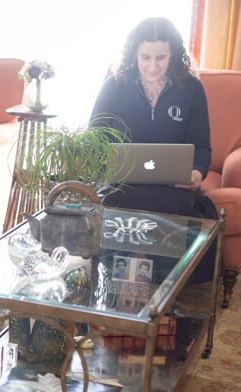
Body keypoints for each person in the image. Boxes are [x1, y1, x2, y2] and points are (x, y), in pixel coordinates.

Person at [91, 17, 219, 285]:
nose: (152, 66)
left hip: (172, 188)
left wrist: (196, 172)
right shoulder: (114, 86)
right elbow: (94, 141)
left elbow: (202, 145)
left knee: (177, 208)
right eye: (145, 57)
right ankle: (117, 283)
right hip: (121, 185)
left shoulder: (192, 89)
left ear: (173, 55)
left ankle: (166, 288)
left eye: (160, 58)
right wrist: (103, 164)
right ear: (134, 54)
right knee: (113, 205)